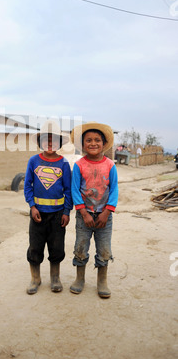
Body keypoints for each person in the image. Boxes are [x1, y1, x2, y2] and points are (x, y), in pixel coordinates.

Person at [70, 122, 118, 298]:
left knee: (104, 249)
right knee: (80, 247)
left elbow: (114, 190)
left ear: (104, 144)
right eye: (88, 140)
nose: (93, 143)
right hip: (84, 216)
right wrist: (83, 212)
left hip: (104, 217)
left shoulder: (110, 165)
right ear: (83, 144)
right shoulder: (79, 165)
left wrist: (107, 212)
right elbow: (74, 189)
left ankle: (102, 282)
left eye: (97, 140)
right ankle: (80, 279)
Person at [24, 120, 73, 294]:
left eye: (54, 140)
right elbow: (27, 186)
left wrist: (66, 211)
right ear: (40, 142)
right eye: (46, 139)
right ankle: (35, 278)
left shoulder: (64, 164)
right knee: (35, 246)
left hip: (58, 214)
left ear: (60, 143)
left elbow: (69, 190)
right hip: (38, 214)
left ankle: (55, 278)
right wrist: (32, 206)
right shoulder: (33, 161)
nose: (50, 143)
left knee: (57, 246)